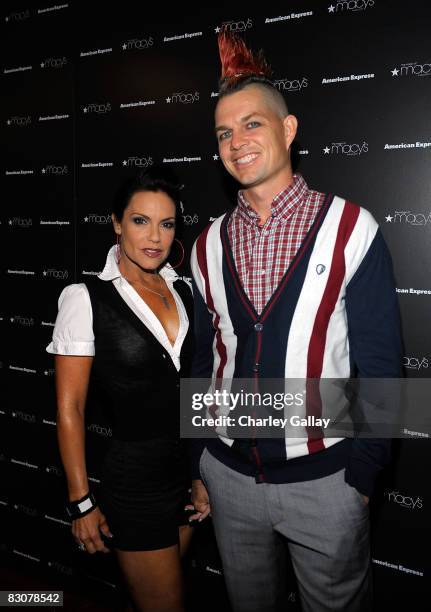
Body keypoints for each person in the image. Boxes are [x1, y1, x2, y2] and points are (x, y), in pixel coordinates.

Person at [188, 30, 403, 612]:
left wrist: (362, 476)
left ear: (288, 130)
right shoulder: (205, 244)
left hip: (326, 483)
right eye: (224, 133)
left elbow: (383, 363)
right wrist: (201, 459)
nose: (237, 143)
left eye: (252, 125)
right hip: (228, 480)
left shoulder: (351, 228)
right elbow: (204, 358)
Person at [46, 166, 194, 612]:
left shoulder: (183, 290)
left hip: (186, 479)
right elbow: (70, 407)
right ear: (116, 222)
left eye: (166, 223)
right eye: (140, 220)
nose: (155, 236)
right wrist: (80, 502)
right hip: (136, 485)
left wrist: (203, 476)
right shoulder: (85, 297)